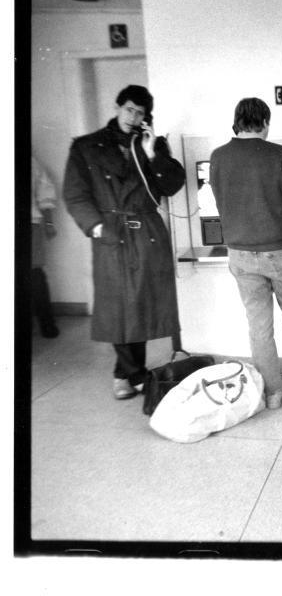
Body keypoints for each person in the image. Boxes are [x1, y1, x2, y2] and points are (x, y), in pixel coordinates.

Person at [63, 84, 185, 399]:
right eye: (129, 109)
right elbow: (75, 194)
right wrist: (97, 227)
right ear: (118, 107)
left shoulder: (152, 145)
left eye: (140, 112)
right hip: (111, 232)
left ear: (147, 117)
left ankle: (124, 374)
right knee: (119, 303)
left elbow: (172, 185)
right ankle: (134, 374)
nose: (133, 116)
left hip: (146, 231)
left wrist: (150, 154)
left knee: (141, 302)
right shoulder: (86, 147)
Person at [210, 97, 282, 409]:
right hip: (281, 250)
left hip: (240, 254)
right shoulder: (280, 155)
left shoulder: (218, 157)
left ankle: (272, 394)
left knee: (258, 326)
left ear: (237, 121)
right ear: (264, 123)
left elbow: (220, 202)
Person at [31, 156, 60, 338]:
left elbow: (45, 193)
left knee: (34, 274)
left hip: (29, 223)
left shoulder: (31, 161)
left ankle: (47, 325)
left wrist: (49, 223)